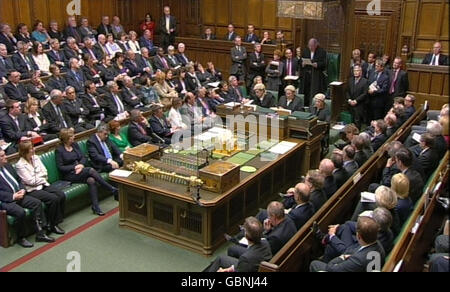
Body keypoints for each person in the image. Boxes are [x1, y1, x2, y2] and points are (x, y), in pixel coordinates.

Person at [56, 128, 118, 216]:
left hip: (81, 171)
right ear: (66, 139)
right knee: (90, 170)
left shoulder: (75, 145)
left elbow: (83, 157)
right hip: (69, 175)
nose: (74, 137)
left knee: (91, 180)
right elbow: (61, 167)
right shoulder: (59, 150)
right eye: (72, 136)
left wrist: (81, 165)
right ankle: (111, 189)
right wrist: (75, 167)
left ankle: (95, 207)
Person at [0, 149, 54, 248]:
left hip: (19, 194)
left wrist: (22, 189)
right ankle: (21, 238)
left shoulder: (7, 166)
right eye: (2, 156)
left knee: (36, 203)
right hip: (5, 201)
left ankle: (40, 232)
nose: (5, 157)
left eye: (4, 155)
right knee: (20, 212)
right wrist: (13, 196)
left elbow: (19, 180)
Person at [15, 141, 66, 235]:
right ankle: (53, 225)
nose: (34, 150)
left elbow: (45, 172)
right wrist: (41, 178)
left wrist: (40, 178)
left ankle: (54, 221)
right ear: (25, 151)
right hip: (32, 190)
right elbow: (30, 181)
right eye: (31, 148)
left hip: (43, 184)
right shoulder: (20, 165)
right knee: (53, 199)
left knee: (61, 194)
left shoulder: (36, 158)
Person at [310, 216, 385, 272]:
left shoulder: (358, 260)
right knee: (332, 246)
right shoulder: (377, 244)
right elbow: (350, 250)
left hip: (352, 265)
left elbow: (330, 268)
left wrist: (341, 257)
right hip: (358, 260)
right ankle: (326, 238)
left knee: (314, 264)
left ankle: (326, 239)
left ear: (358, 236)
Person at [206, 217, 272, 272]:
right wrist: (230, 269)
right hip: (253, 265)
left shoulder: (246, 258)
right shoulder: (265, 242)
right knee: (220, 258)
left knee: (219, 260)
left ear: (246, 236)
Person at [301, 38, 327, 107]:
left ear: (316, 45)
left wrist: (317, 64)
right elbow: (301, 60)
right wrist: (302, 63)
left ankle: (313, 105)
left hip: (316, 75)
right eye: (309, 46)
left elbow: (324, 63)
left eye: (312, 46)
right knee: (306, 90)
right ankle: (305, 105)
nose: (310, 47)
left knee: (314, 91)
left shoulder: (321, 51)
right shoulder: (305, 50)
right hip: (306, 74)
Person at [347, 64, 369, 129]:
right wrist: (349, 100)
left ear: (361, 72)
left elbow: (364, 94)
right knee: (351, 121)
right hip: (351, 104)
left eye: (357, 70)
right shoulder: (350, 80)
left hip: (359, 105)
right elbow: (347, 91)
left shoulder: (365, 81)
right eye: (354, 71)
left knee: (357, 121)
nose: (356, 72)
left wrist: (356, 101)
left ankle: (357, 135)